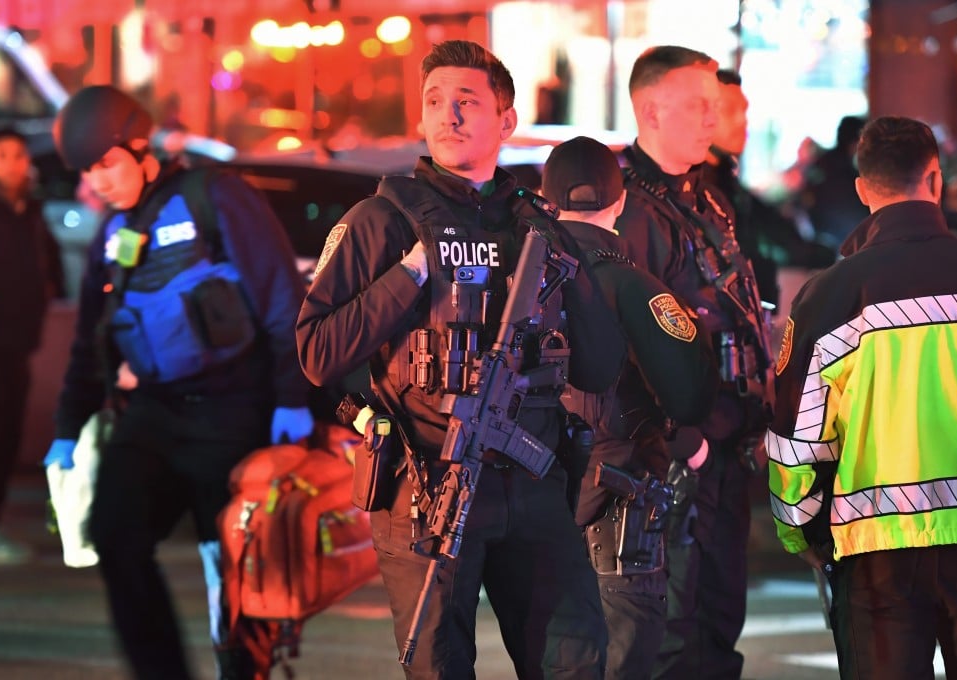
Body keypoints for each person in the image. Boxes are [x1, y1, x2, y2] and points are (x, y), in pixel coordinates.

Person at [296, 40, 626, 679]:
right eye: (435, 101)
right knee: (440, 667)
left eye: (467, 102)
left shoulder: (537, 225)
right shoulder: (382, 221)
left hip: (530, 484)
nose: (449, 115)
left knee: (575, 660)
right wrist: (410, 275)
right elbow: (315, 353)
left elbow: (598, 366)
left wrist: (578, 266)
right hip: (426, 486)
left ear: (505, 121)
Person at [43, 85, 314, 680]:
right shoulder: (114, 236)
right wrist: (67, 429)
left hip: (233, 410)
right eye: (88, 170)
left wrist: (292, 399)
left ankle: (243, 670)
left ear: (141, 150)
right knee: (114, 535)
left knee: (234, 567)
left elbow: (279, 298)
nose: (99, 181)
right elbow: (91, 342)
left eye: (107, 164)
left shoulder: (214, 198)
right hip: (156, 415)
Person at [767, 115, 957, 679]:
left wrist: (801, 531)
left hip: (875, 552)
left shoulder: (833, 295)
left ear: (863, 189)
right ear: (935, 181)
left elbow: (797, 436)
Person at [616, 45, 775, 679]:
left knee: (718, 623)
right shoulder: (625, 209)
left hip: (729, 447)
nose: (714, 118)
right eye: (699, 105)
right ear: (652, 110)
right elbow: (620, 339)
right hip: (671, 456)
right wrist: (682, 438)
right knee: (673, 635)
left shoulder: (709, 199)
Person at [541, 135, 719, 679]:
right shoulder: (637, 285)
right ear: (620, 205)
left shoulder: (515, 281)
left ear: (546, 203)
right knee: (623, 657)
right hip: (617, 516)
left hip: (531, 507)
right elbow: (692, 393)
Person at [0, 126, 65, 564]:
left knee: (6, 436)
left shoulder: (29, 210)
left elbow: (47, 266)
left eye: (19, 155)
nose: (13, 162)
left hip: (17, 343)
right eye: (2, 154)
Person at [702, 69, 835, 309]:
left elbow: (773, 227)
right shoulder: (694, 189)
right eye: (730, 111)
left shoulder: (727, 181)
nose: (743, 120)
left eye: (744, 110)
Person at [798, 114, 869, 249]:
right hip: (847, 245)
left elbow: (805, 202)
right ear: (857, 142)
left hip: (821, 243)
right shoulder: (851, 174)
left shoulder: (820, 165)